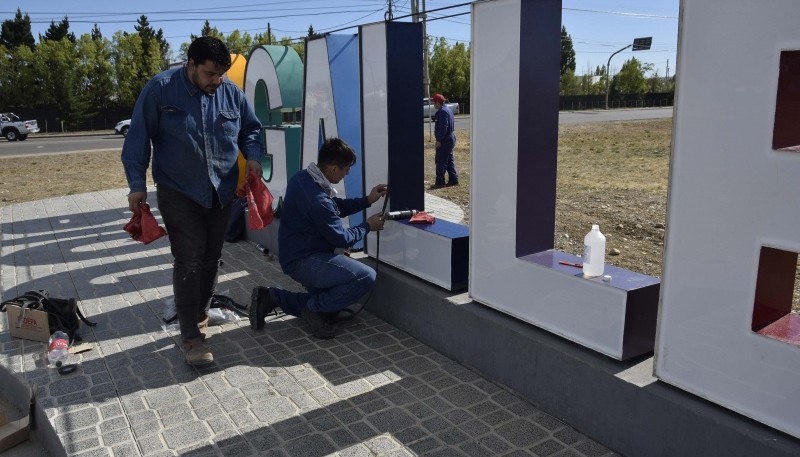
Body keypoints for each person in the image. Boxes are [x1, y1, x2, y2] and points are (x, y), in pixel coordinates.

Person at [121, 36, 264, 365]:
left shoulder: (229, 92)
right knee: (189, 259)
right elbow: (138, 138)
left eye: (221, 74)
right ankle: (191, 338)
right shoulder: (160, 90)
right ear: (191, 65)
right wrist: (136, 185)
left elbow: (251, 130)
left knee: (211, 260)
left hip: (221, 191)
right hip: (178, 191)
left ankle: (198, 314)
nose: (217, 81)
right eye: (210, 74)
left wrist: (253, 157)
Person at [250, 138, 387, 339]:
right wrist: (368, 226)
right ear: (333, 169)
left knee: (330, 302)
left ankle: (271, 297)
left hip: (298, 255)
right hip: (304, 261)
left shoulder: (304, 179)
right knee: (366, 277)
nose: (347, 173)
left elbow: (334, 207)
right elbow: (342, 238)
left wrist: (367, 200)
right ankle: (315, 310)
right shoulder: (317, 200)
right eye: (346, 169)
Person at [430, 93, 458, 188]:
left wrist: (439, 140)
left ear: (438, 102)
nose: (433, 104)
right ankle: (453, 180)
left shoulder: (442, 112)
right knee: (449, 160)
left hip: (445, 140)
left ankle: (440, 182)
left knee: (440, 160)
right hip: (450, 138)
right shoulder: (448, 110)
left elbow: (443, 127)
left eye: (434, 102)